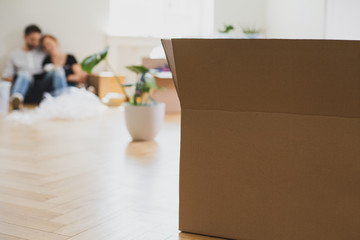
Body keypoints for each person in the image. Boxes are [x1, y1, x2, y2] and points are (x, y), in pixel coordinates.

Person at [1, 25, 68, 110]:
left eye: (38, 40)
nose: (36, 43)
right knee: (25, 74)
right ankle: (16, 99)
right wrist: (19, 77)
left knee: (58, 70)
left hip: (42, 85)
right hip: (25, 87)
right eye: (32, 39)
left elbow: (58, 60)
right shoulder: (14, 55)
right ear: (25, 37)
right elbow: (6, 77)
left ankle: (64, 99)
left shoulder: (43, 51)